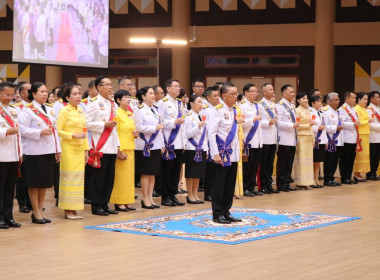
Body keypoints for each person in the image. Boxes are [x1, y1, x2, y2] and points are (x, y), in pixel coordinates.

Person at [19, 82, 61, 224]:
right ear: (34, 94)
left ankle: (41, 210)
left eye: (46, 91)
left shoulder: (49, 109)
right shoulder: (27, 110)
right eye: (42, 91)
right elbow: (22, 130)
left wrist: (57, 149)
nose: (45, 94)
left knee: (44, 183)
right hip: (34, 151)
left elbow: (55, 131)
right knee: (34, 183)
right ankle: (35, 212)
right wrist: (39, 132)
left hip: (48, 150)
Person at [85, 76, 121, 216]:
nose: (110, 87)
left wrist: (118, 145)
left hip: (111, 145)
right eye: (106, 85)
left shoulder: (112, 104)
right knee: (98, 179)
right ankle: (96, 205)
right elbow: (86, 123)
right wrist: (102, 125)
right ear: (98, 87)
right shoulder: (94, 103)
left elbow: (115, 128)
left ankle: (105, 204)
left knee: (109, 178)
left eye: (111, 85)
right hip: (100, 146)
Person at [208, 82, 242, 224]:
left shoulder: (233, 110)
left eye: (236, 93)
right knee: (219, 185)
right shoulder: (218, 110)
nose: (235, 96)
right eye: (232, 94)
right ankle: (217, 213)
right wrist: (215, 154)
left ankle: (226, 211)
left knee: (229, 185)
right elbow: (211, 133)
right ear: (224, 95)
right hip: (221, 154)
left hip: (232, 153)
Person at [56, 84, 89, 220]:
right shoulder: (64, 111)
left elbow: (84, 131)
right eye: (74, 94)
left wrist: (86, 150)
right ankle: (67, 209)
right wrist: (72, 135)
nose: (78, 96)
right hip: (68, 148)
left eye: (79, 94)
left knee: (78, 179)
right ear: (67, 97)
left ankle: (75, 208)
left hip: (80, 148)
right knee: (69, 178)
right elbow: (58, 130)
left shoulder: (81, 110)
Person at [157, 79, 186, 207]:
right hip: (169, 140)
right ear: (168, 88)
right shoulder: (163, 103)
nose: (178, 89)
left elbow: (183, 123)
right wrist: (173, 122)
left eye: (179, 87)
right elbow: (160, 121)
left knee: (176, 170)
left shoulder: (179, 103)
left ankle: (173, 194)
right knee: (167, 170)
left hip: (179, 141)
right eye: (175, 87)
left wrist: (184, 142)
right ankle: (165, 195)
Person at [134, 86, 164, 209]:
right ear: (143, 96)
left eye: (153, 93)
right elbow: (138, 127)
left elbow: (160, 129)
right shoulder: (139, 109)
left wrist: (162, 145)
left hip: (155, 145)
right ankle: (145, 199)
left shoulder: (155, 110)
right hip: (144, 145)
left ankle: (151, 198)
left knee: (153, 173)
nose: (153, 95)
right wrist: (153, 129)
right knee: (145, 173)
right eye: (150, 93)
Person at [110, 90, 138, 211]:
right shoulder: (117, 113)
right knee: (121, 177)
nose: (128, 99)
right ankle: (119, 201)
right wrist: (119, 149)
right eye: (125, 97)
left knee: (128, 177)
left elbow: (131, 128)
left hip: (130, 146)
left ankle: (127, 201)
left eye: (129, 97)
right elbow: (115, 132)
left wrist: (135, 134)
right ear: (118, 100)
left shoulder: (129, 113)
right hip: (122, 147)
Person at [0, 82, 22, 228]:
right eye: (7, 95)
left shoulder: (13, 110)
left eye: (12, 95)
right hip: (1, 155)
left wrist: (20, 153)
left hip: (13, 154)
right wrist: (6, 132)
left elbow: (19, 133)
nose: (10, 98)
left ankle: (9, 216)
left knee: (10, 188)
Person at [240, 83, 263, 197]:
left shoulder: (257, 105)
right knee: (247, 167)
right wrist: (252, 119)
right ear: (246, 93)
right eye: (253, 91)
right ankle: (245, 188)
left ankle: (251, 186)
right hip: (248, 140)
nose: (256, 93)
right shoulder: (242, 105)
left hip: (257, 140)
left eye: (257, 91)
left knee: (254, 166)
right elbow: (241, 123)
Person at [184, 95, 207, 204]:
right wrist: (198, 126)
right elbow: (187, 134)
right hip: (191, 148)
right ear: (192, 103)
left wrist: (206, 149)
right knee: (191, 173)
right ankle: (190, 195)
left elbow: (205, 135)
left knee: (198, 173)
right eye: (198, 102)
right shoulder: (188, 116)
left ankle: (195, 193)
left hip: (201, 148)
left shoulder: (201, 116)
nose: (201, 105)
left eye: (202, 102)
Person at [276, 84, 298, 192]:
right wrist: (291, 125)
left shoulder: (292, 105)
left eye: (294, 92)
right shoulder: (280, 106)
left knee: (289, 162)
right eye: (291, 92)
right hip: (284, 139)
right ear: (284, 93)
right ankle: (281, 184)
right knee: (282, 162)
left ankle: (287, 182)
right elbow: (278, 123)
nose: (293, 94)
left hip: (292, 139)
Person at [14, 82, 32, 213]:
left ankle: (32, 202)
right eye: (29, 90)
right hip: (23, 147)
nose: (32, 92)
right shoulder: (16, 108)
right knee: (22, 178)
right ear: (21, 93)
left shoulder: (41, 107)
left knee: (34, 176)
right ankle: (23, 203)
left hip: (37, 148)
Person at [258, 83, 279, 194]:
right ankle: (263, 186)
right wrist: (267, 122)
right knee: (264, 164)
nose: (272, 91)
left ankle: (269, 184)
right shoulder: (260, 105)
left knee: (270, 164)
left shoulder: (272, 104)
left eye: (273, 89)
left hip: (273, 138)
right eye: (270, 89)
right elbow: (259, 121)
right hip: (265, 138)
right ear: (264, 92)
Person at [201, 86, 221, 201]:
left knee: (217, 169)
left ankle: (215, 191)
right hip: (208, 142)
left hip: (219, 142)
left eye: (218, 95)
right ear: (208, 98)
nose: (217, 98)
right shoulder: (205, 110)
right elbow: (206, 127)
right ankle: (208, 193)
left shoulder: (219, 109)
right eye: (215, 96)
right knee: (210, 170)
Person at [293, 92, 316, 189]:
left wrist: (313, 139)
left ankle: (308, 182)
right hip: (301, 138)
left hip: (308, 137)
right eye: (303, 98)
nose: (305, 100)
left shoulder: (308, 110)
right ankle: (300, 182)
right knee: (301, 161)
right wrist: (308, 125)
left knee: (309, 161)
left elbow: (311, 127)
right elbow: (297, 127)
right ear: (298, 100)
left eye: (306, 98)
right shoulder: (297, 111)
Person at [323, 92, 343, 187]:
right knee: (329, 160)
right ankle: (327, 178)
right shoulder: (325, 111)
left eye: (338, 99)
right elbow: (324, 126)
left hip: (338, 140)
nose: (338, 101)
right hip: (330, 139)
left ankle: (332, 177)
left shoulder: (338, 111)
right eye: (335, 100)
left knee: (335, 160)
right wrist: (335, 128)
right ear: (329, 101)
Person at [339, 91, 360, 185]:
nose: (355, 100)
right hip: (346, 137)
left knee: (351, 158)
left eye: (355, 98)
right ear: (347, 99)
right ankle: (344, 177)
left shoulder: (353, 109)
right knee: (345, 159)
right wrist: (353, 123)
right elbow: (342, 123)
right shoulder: (342, 109)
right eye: (353, 98)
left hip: (354, 137)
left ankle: (349, 176)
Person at [353, 92, 372, 182]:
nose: (366, 101)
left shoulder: (364, 109)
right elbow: (358, 122)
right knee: (359, 154)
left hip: (365, 133)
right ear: (359, 99)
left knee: (364, 155)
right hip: (360, 133)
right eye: (364, 99)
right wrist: (368, 121)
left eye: (367, 99)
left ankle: (359, 172)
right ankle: (356, 173)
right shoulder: (356, 109)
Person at [310, 95, 327, 188]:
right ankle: (311, 179)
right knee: (313, 160)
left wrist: (326, 141)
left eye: (320, 101)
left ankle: (316, 179)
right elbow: (310, 126)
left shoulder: (321, 112)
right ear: (312, 103)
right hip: (314, 139)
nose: (320, 103)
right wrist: (317, 128)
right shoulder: (309, 112)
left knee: (318, 161)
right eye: (318, 102)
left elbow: (325, 127)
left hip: (322, 140)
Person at [366, 91, 380, 180]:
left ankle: (374, 172)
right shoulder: (369, 109)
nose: (379, 99)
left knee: (377, 157)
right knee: (372, 156)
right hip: (372, 136)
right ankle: (370, 174)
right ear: (371, 99)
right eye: (377, 97)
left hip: (379, 136)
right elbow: (369, 124)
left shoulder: (378, 109)